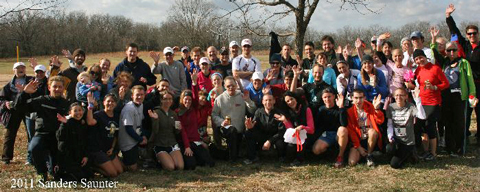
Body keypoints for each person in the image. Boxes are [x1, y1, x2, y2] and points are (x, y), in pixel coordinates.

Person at [14, 76, 69, 180]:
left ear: (63, 88)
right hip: (42, 135)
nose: (57, 89)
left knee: (57, 174)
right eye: (54, 86)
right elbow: (19, 108)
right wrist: (24, 93)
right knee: (34, 147)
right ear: (49, 87)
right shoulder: (41, 101)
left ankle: (53, 168)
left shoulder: (67, 104)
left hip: (59, 139)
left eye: (60, 87)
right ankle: (41, 172)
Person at [432, 28, 476, 155]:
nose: (451, 52)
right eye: (449, 50)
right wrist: (434, 39)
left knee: (459, 123)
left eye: (454, 50)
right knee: (447, 122)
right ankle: (449, 147)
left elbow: (469, 80)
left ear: (457, 51)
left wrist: (472, 95)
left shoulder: (463, 63)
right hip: (446, 97)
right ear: (445, 52)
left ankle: (459, 148)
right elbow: (434, 51)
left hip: (459, 97)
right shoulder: (444, 62)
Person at [405, 49, 449, 161]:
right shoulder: (418, 70)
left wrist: (435, 87)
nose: (419, 60)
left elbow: (446, 83)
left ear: (425, 57)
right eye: (417, 59)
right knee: (423, 126)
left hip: (434, 102)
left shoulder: (435, 68)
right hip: (421, 102)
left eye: (421, 57)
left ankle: (433, 153)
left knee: (430, 126)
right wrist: (408, 81)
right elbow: (411, 81)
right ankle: (426, 152)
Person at [446, 4, 480, 142]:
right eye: (469, 34)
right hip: (467, 84)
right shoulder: (465, 46)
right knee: (466, 113)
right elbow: (455, 31)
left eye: (474, 33)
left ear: (478, 34)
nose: (472, 35)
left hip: (479, 84)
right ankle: (464, 135)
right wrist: (448, 16)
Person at [211, 76, 256, 161]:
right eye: (228, 86)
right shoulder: (220, 99)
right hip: (226, 129)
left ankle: (224, 154)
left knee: (236, 146)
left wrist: (248, 101)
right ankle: (233, 159)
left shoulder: (242, 96)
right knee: (232, 131)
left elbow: (253, 110)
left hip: (240, 130)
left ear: (236, 85)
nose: (231, 88)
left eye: (232, 85)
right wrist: (221, 122)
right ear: (224, 86)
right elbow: (214, 115)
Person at [176, 73, 215, 169]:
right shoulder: (178, 112)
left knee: (209, 163)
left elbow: (195, 98)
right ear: (182, 100)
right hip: (185, 142)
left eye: (189, 99)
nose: (188, 101)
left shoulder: (193, 109)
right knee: (191, 165)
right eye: (186, 99)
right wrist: (187, 146)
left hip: (196, 141)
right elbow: (183, 131)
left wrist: (194, 83)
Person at [0, 62, 33, 164]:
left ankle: (31, 157)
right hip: (14, 111)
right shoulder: (8, 86)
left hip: (28, 109)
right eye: (18, 68)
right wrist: (6, 103)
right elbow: (1, 99)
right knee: (10, 134)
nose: (21, 69)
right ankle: (6, 158)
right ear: (13, 70)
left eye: (23, 67)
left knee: (31, 133)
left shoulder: (31, 80)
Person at [86, 93, 123, 178]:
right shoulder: (99, 115)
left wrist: (112, 148)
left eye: (113, 101)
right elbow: (90, 122)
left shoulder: (116, 116)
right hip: (98, 150)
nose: (110, 103)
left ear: (116, 104)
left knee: (120, 171)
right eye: (108, 101)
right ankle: (93, 167)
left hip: (108, 149)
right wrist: (90, 105)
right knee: (113, 174)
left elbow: (115, 135)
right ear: (103, 102)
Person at [244, 94, 286, 164]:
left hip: (274, 137)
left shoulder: (279, 113)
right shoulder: (258, 112)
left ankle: (281, 157)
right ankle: (252, 157)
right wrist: (251, 127)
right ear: (262, 102)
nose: (268, 102)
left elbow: (281, 131)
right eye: (266, 100)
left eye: (270, 100)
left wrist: (270, 141)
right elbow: (254, 127)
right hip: (262, 136)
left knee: (280, 141)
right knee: (248, 133)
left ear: (274, 101)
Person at [148, 91, 185, 171]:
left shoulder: (173, 114)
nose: (168, 101)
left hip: (172, 143)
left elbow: (176, 132)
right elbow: (155, 131)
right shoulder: (156, 112)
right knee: (170, 167)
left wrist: (178, 129)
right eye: (165, 99)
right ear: (161, 100)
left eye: (170, 99)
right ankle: (158, 159)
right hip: (160, 144)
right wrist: (155, 120)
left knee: (180, 167)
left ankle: (167, 159)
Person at [312, 88, 349, 168]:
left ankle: (340, 156)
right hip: (327, 134)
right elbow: (318, 125)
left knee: (342, 129)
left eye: (329, 96)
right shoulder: (321, 109)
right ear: (322, 98)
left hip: (339, 134)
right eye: (325, 97)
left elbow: (344, 124)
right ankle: (332, 154)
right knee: (316, 150)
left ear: (333, 97)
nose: (327, 99)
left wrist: (341, 108)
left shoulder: (340, 108)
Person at [276, 91, 314, 166]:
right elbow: (290, 129)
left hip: (306, 135)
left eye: (291, 99)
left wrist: (302, 127)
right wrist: (285, 121)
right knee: (290, 145)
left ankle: (299, 160)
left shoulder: (306, 109)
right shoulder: (287, 112)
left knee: (300, 143)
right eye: (287, 101)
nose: (290, 102)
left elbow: (311, 129)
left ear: (296, 99)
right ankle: (290, 159)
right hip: (295, 136)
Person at [347, 89, 384, 166]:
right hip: (359, 139)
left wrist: (376, 109)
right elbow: (351, 132)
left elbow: (380, 121)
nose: (358, 100)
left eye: (361, 98)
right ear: (352, 98)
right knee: (352, 163)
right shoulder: (350, 112)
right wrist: (358, 147)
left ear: (364, 98)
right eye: (356, 98)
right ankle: (363, 154)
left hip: (370, 137)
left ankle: (369, 155)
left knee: (372, 132)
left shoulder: (370, 106)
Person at [56, 102, 91, 181]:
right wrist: (63, 125)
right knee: (80, 177)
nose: (78, 113)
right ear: (70, 113)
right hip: (69, 156)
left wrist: (86, 156)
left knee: (88, 175)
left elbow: (86, 141)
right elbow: (60, 138)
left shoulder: (83, 123)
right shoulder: (67, 123)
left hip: (80, 155)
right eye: (75, 111)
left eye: (80, 110)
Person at [118, 85, 148, 171]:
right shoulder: (129, 108)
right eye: (137, 95)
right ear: (132, 96)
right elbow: (128, 129)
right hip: (127, 143)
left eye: (142, 95)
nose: (140, 97)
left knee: (138, 164)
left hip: (135, 140)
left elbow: (139, 124)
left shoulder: (141, 105)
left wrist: (143, 136)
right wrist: (140, 139)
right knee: (132, 168)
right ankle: (119, 162)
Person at [386, 88, 418, 169]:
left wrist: (418, 100)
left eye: (401, 95)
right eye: (396, 95)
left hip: (408, 142)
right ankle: (401, 155)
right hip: (396, 139)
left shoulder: (411, 106)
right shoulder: (391, 107)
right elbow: (389, 124)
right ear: (393, 96)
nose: (399, 97)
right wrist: (390, 136)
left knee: (394, 165)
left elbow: (422, 116)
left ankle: (410, 153)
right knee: (389, 149)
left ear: (406, 96)